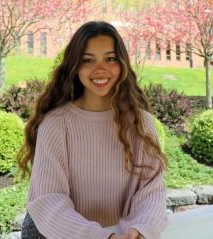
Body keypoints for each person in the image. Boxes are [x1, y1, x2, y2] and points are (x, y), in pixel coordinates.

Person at [17, 21, 168, 239]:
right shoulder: (56, 124)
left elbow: (151, 189)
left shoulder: (141, 124)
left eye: (110, 59)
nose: (100, 69)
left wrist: (143, 227)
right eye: (88, 60)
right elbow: (48, 198)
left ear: (122, 63)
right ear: (75, 66)